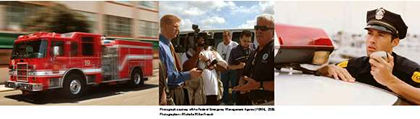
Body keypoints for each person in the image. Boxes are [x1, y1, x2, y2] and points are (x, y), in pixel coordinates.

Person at [317, 8, 420, 104]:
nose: (372, 40)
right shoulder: (356, 66)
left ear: (395, 42)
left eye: (380, 35)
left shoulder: (410, 70)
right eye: (370, 34)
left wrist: (389, 80)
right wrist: (327, 68)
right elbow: (318, 72)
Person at [159, 14, 202, 105]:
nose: (178, 31)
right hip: (170, 93)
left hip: (179, 91)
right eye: (175, 27)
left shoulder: (169, 45)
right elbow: (166, 79)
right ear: (165, 26)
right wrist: (189, 74)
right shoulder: (160, 47)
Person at [233, 14, 275, 105]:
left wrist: (259, 85)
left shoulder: (276, 50)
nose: (259, 31)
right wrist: (242, 83)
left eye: (263, 28)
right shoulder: (254, 52)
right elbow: (245, 74)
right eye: (257, 27)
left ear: (273, 31)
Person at [228, 30, 254, 105]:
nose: (247, 43)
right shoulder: (234, 51)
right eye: (244, 41)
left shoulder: (253, 50)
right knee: (240, 103)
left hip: (251, 82)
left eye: (249, 41)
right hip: (239, 82)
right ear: (240, 39)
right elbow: (229, 66)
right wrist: (238, 66)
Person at [217, 30, 239, 105]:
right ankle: (224, 100)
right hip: (223, 68)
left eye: (226, 35)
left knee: (234, 85)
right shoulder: (220, 45)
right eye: (223, 36)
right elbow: (218, 57)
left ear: (230, 36)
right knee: (224, 85)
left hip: (232, 68)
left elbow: (238, 57)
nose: (225, 37)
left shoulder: (235, 44)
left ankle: (234, 101)